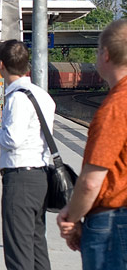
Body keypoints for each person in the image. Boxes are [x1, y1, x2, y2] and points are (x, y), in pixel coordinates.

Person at [56, 19, 127, 269]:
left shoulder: (116, 107)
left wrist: (71, 218)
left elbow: (90, 182)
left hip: (112, 223)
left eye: (97, 51)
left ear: (106, 55)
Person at [0, 40, 55, 270]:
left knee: (18, 252)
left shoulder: (17, 98)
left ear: (1, 65)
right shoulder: (42, 95)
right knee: (36, 246)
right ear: (27, 66)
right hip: (40, 176)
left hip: (20, 179)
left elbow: (13, 139)